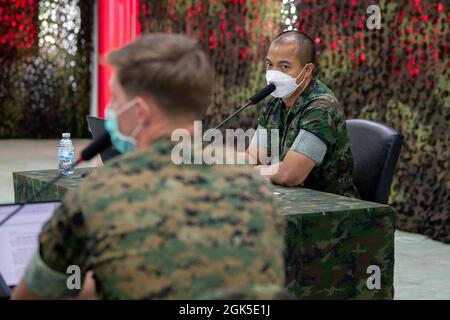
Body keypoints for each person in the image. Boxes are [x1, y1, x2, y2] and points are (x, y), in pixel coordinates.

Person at [11, 33, 285, 300]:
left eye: (116, 99)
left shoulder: (97, 194)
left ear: (139, 112)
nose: (111, 108)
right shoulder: (255, 189)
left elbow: (32, 295)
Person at [247, 30, 359, 198]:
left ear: (307, 70)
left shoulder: (322, 107)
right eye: (270, 64)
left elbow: (290, 174)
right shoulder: (274, 102)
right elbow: (254, 157)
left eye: (284, 66)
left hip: (333, 210)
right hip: (293, 202)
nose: (273, 73)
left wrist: (254, 172)